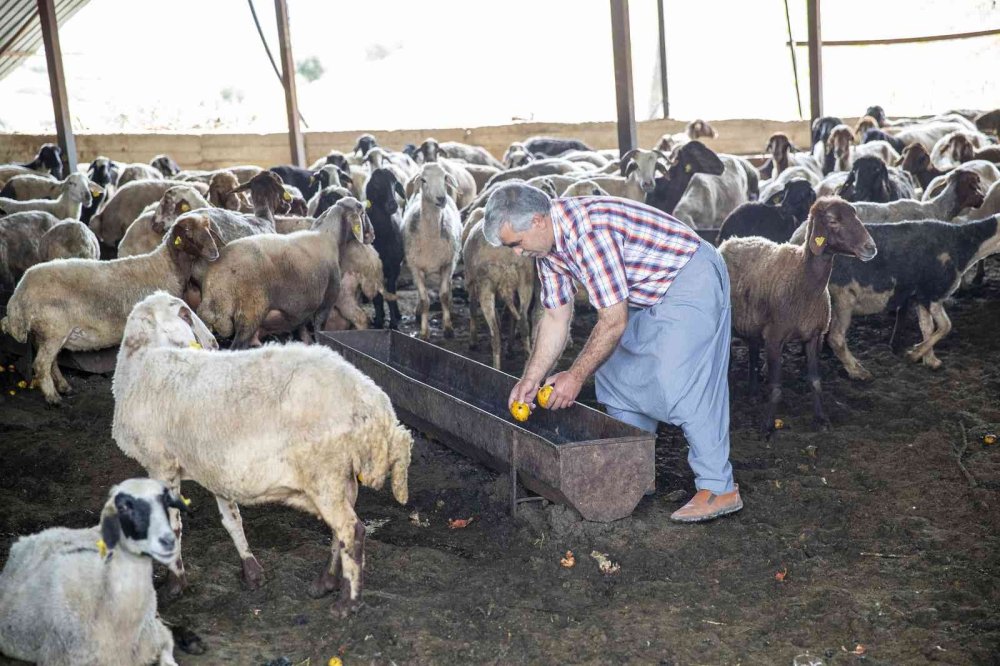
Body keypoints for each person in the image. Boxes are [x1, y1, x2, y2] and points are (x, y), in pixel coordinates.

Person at [482, 183, 741, 523]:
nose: (516, 253)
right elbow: (556, 317)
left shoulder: (589, 233)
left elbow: (614, 321)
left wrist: (574, 377)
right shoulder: (547, 251)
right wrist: (531, 380)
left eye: (516, 243)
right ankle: (633, 471)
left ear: (538, 220)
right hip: (646, 292)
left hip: (688, 276)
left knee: (679, 381)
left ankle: (719, 487)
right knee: (615, 373)